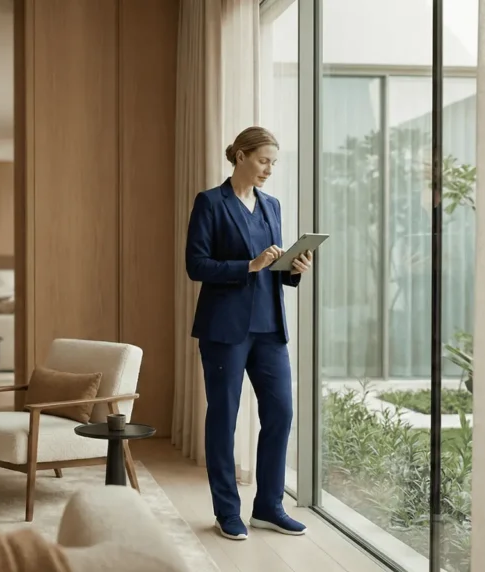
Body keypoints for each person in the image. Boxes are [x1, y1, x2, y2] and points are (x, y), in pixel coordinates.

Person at [185, 126, 313, 540]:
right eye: (263, 161)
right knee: (224, 418)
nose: (269, 169)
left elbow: (270, 265)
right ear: (240, 156)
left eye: (274, 162)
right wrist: (248, 266)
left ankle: (269, 507)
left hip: (270, 328)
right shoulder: (210, 203)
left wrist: (293, 270)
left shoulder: (272, 206)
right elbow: (196, 265)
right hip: (225, 329)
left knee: (281, 412)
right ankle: (227, 511)